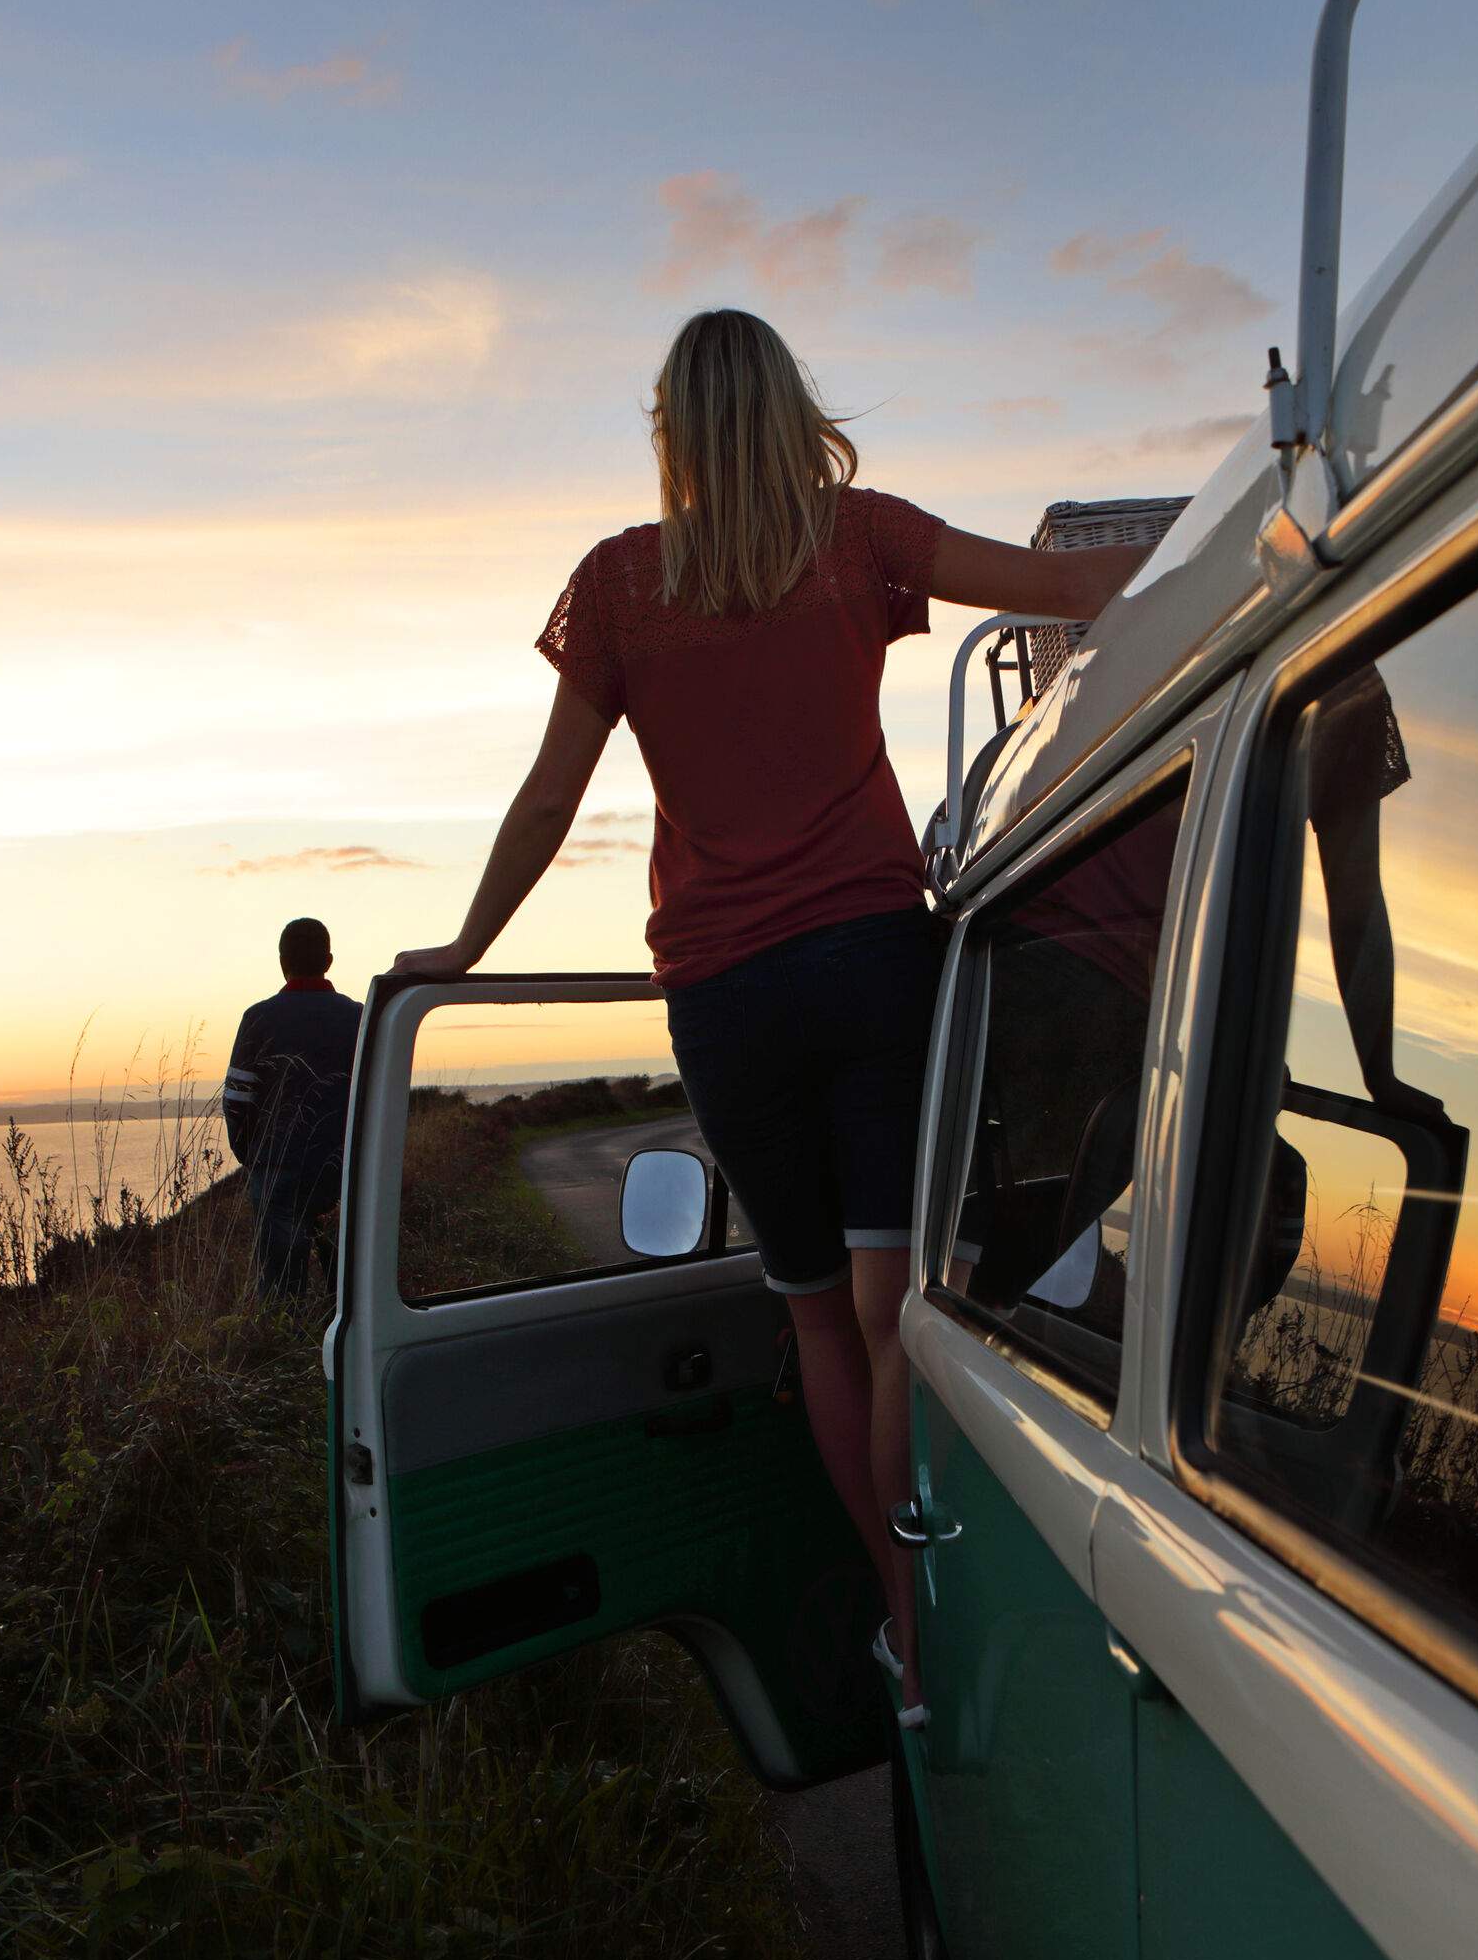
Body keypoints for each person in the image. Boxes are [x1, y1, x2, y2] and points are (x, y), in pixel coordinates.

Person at [390, 308, 1146, 1722]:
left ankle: (910, 1630)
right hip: (872, 959)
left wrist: (462, 944)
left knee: (814, 1319)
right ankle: (975, 1579)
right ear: (791, 406)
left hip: (728, 994)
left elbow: (552, 794)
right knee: (895, 1306)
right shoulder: (857, 537)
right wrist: (1258, 539)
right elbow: (1067, 585)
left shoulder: (618, 584)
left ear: (669, 429)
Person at [225, 916, 364, 1304]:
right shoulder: (358, 1017)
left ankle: (284, 1353)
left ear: (282, 961)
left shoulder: (259, 1018)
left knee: (282, 1290)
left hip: (277, 1168)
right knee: (348, 1289)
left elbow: (236, 1101)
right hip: (345, 1169)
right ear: (329, 960)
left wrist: (253, 1157)